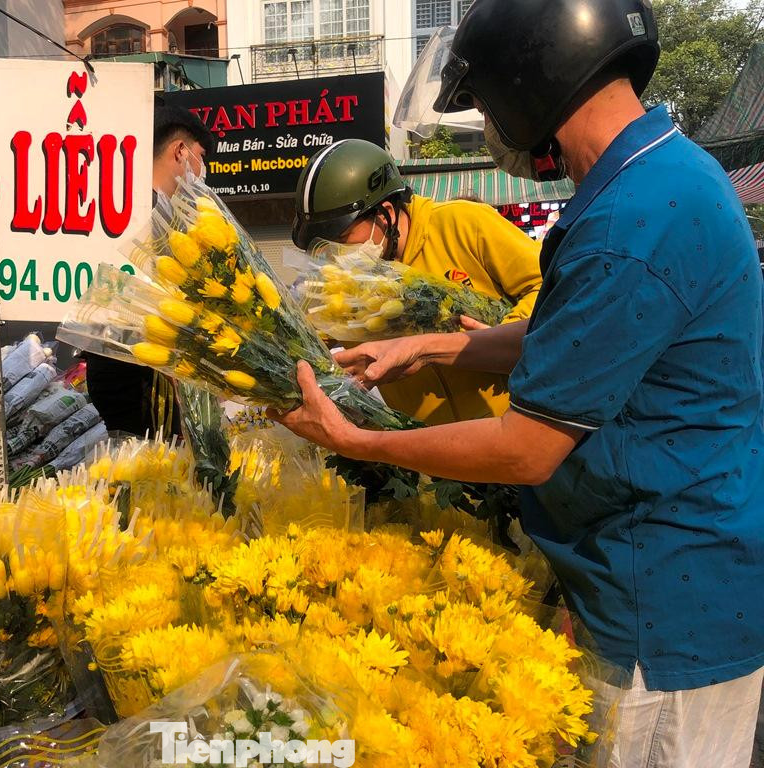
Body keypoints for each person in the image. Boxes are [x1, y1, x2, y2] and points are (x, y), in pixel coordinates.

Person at [272, 1, 764, 765]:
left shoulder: (630, 220)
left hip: (663, 609)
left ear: (535, 82)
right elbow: (584, 340)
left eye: (487, 105)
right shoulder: (659, 176)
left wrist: (358, 439)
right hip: (665, 577)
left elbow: (527, 449)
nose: (492, 130)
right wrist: (434, 348)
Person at [292, 138, 542, 425]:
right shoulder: (338, 283)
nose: (333, 253)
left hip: (518, 423)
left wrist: (502, 336)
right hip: (432, 449)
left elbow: (552, 287)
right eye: (323, 244)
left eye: (341, 238)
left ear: (384, 213)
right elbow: (303, 347)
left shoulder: (462, 223)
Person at [85, 105, 215, 438]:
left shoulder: (133, 203)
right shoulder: (144, 212)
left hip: (127, 365)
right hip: (136, 374)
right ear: (180, 151)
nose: (203, 171)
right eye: (201, 157)